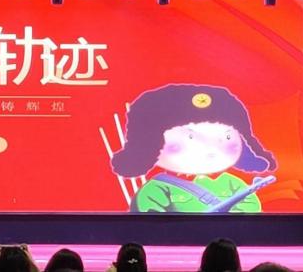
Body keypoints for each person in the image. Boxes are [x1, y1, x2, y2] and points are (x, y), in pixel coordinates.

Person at [111, 84, 276, 213]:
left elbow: (250, 207)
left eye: (226, 137)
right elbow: (148, 220)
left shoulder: (230, 182)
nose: (209, 148)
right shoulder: (159, 186)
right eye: (191, 137)